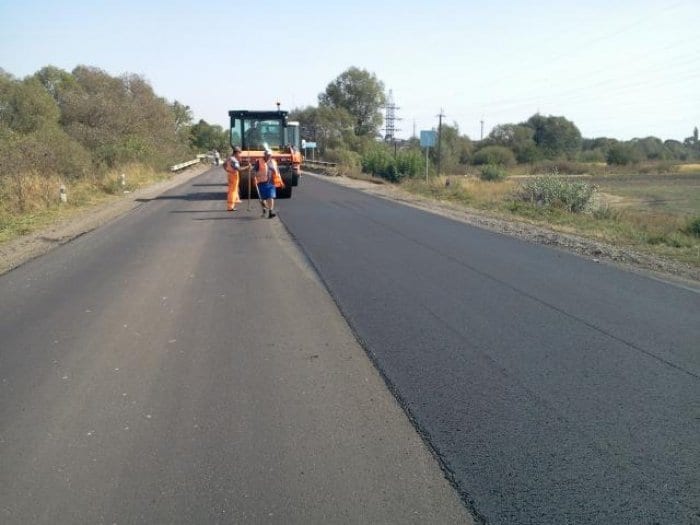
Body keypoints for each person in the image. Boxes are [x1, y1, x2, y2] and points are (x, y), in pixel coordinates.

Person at [254, 149, 284, 218]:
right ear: (264, 155)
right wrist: (254, 177)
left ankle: (270, 212)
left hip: (271, 183)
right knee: (262, 199)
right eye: (267, 155)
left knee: (271, 197)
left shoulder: (273, 162)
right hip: (261, 182)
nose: (268, 157)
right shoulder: (259, 162)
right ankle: (264, 209)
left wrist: (281, 181)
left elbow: (277, 172)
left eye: (270, 155)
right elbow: (254, 171)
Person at [223, 146, 251, 212]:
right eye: (239, 153)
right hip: (233, 176)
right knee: (232, 190)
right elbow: (239, 169)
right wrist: (247, 167)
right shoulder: (234, 160)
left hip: (230, 174)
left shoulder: (230, 158)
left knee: (234, 188)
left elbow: (224, 164)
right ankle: (230, 207)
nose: (240, 154)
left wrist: (227, 170)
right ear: (236, 153)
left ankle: (236, 199)